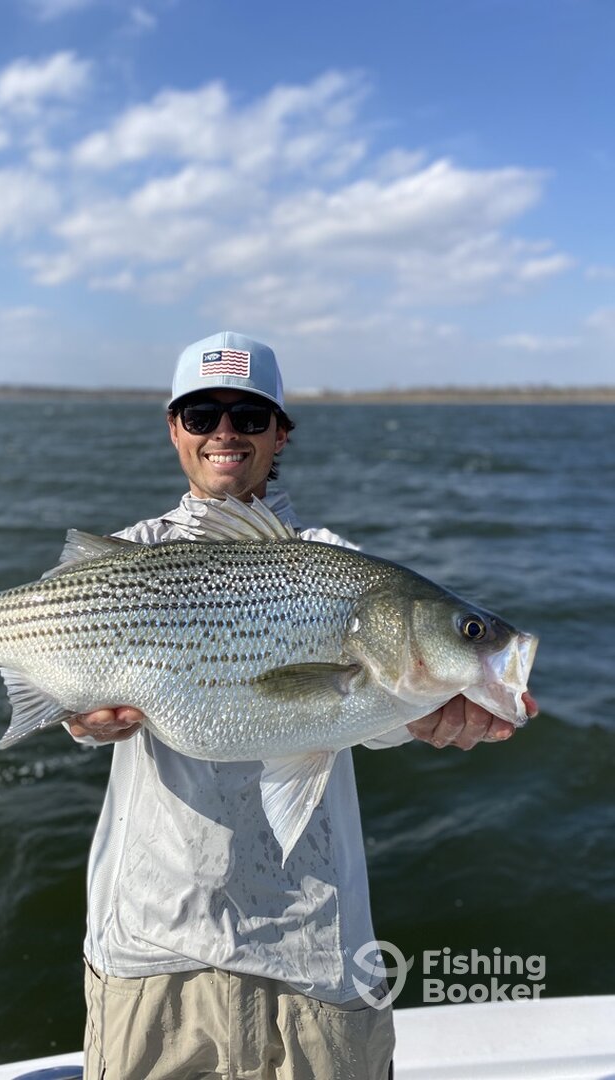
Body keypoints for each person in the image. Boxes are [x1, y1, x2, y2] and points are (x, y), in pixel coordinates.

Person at [64, 331, 535, 1080]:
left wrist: (425, 714)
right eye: (201, 414)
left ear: (280, 433)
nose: (225, 432)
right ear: (173, 428)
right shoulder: (125, 557)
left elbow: (363, 721)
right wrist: (79, 716)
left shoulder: (335, 564)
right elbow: (79, 703)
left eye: (249, 416)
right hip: (154, 941)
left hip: (312, 953)